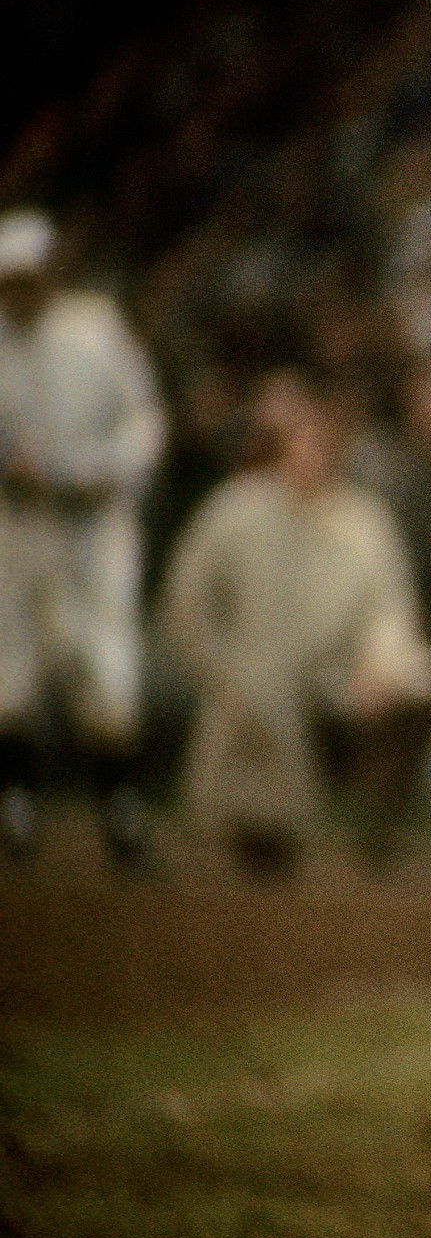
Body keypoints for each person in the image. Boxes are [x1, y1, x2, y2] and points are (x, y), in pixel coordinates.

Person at [162, 369, 431, 875]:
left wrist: (377, 668)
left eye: (327, 445)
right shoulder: (238, 507)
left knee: (424, 683)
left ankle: (379, 828)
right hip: (248, 674)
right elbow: (186, 598)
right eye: (306, 442)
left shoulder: (364, 518)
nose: (316, 456)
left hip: (333, 676)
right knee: (258, 819)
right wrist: (221, 668)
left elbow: (390, 610)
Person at [0, 207, 165, 869]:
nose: (22, 291)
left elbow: (145, 426)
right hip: (14, 521)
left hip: (92, 523)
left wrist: (90, 472)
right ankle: (17, 808)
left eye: (31, 277)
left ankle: (121, 812)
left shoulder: (96, 333)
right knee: (11, 668)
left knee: (105, 667)